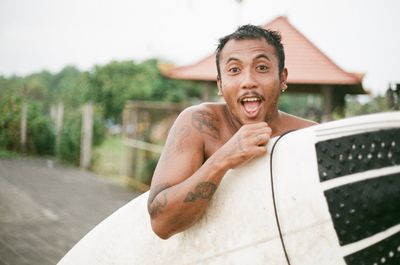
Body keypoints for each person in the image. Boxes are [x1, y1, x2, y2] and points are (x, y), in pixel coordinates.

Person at [147, 24, 317, 239]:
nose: (248, 82)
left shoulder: (308, 137)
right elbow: (161, 224)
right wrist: (223, 158)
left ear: (282, 78)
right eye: (234, 70)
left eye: (262, 68)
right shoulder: (199, 123)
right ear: (220, 84)